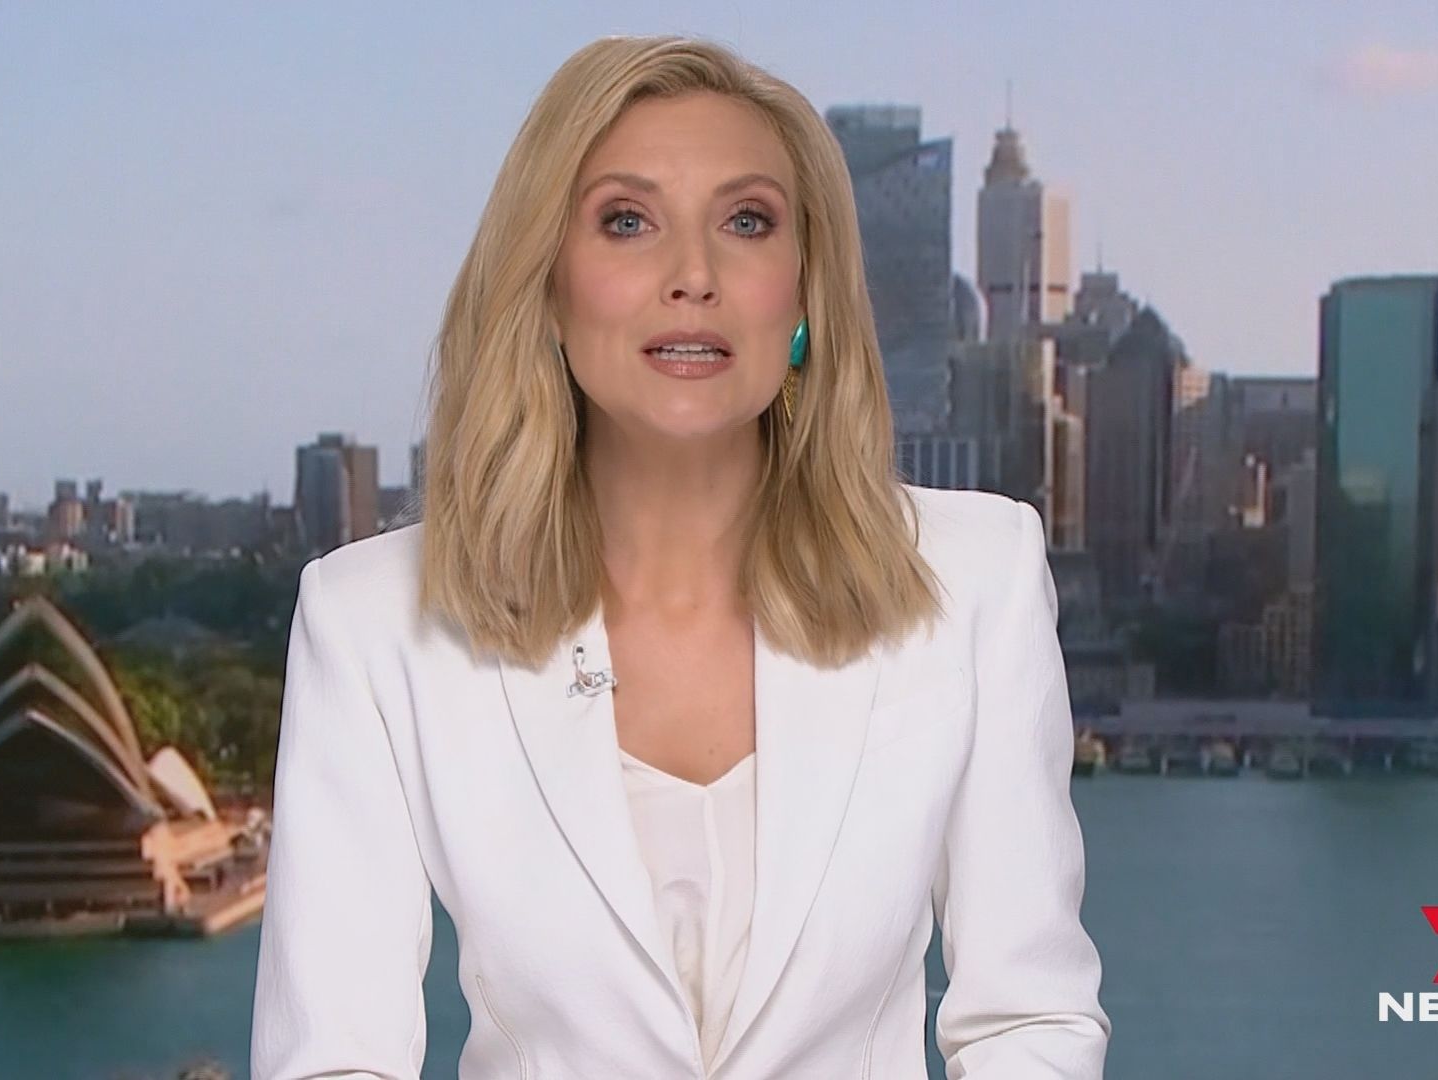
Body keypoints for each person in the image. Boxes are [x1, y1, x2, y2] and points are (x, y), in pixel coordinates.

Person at [250, 32, 1110, 1080]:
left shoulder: (977, 578)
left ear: (806, 297)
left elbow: (1028, 1022)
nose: (693, 277)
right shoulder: (370, 621)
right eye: (627, 221)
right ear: (547, 287)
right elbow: (333, 1060)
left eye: (747, 223)